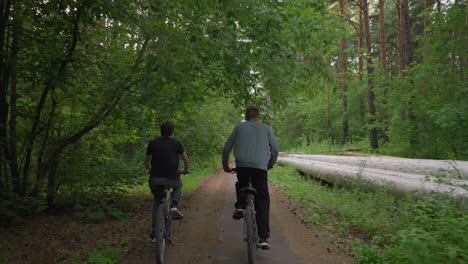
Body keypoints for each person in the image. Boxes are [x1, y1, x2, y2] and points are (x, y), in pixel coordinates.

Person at [222, 105, 279, 250]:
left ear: (246, 117)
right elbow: (275, 149)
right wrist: (270, 164)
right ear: (258, 117)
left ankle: (241, 205)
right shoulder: (266, 128)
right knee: (262, 199)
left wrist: (226, 166)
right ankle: (263, 237)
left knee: (241, 184)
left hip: (242, 165)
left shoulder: (239, 128)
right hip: (260, 167)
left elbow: (227, 148)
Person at [144, 121, 190, 241]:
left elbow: (147, 162)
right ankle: (174, 204)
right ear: (172, 131)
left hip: (155, 179)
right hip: (172, 178)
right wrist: (185, 170)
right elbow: (185, 158)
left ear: (161, 131)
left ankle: (154, 234)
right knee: (179, 185)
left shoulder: (153, 143)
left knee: (157, 202)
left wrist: (150, 170)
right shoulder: (176, 143)